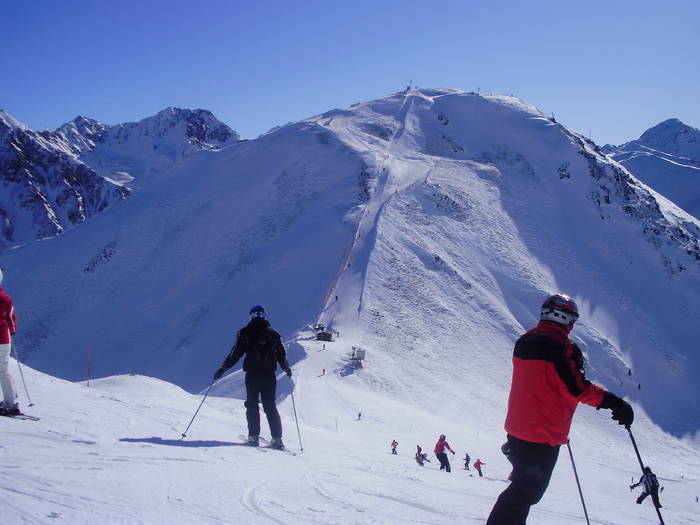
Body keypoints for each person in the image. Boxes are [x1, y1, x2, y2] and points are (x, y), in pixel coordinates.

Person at [486, 294, 634, 524]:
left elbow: (540, 382)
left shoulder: (525, 340)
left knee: (522, 490)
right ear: (568, 320)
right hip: (541, 435)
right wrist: (616, 404)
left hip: (517, 429)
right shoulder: (560, 348)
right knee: (525, 493)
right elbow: (577, 388)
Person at [214, 305, 292, 450]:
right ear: (265, 316)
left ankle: (253, 436)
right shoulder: (274, 334)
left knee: (252, 404)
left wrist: (223, 368)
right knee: (270, 406)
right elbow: (282, 355)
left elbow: (235, 354)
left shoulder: (245, 333)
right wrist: (287, 369)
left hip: (252, 374)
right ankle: (277, 439)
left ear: (251, 316)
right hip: (269, 375)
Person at [0, 269, 20, 416]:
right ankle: (11, 400)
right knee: (3, 369)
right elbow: (11, 318)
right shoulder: (5, 298)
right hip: (4, 338)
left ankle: (10, 404)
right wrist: (11, 331)